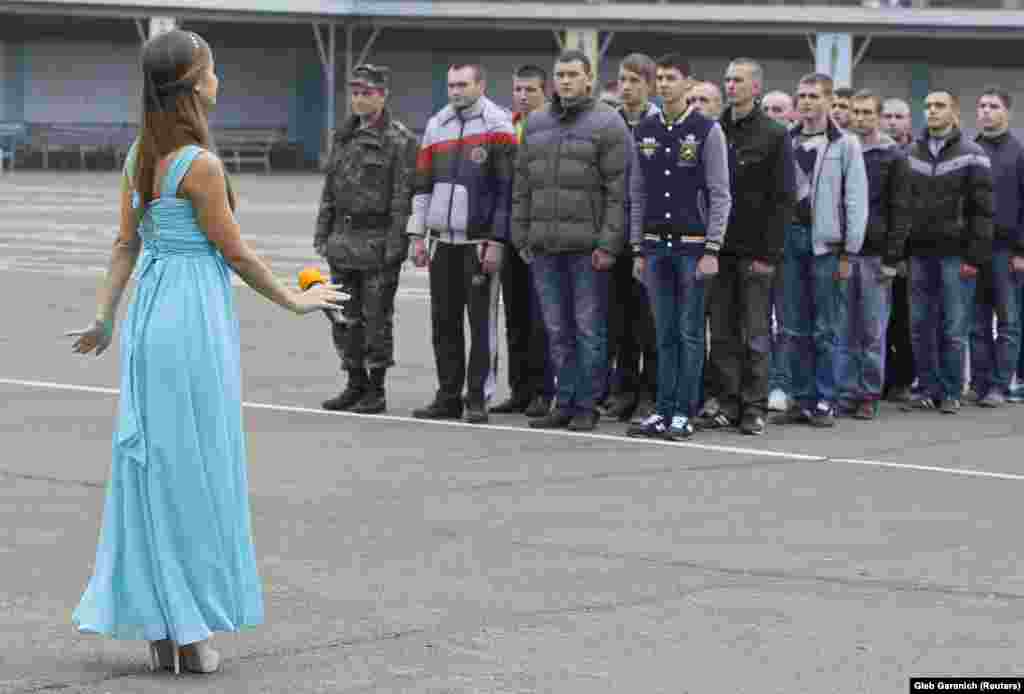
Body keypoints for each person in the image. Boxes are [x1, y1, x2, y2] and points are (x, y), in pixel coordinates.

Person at [66, 29, 345, 675]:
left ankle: (167, 634)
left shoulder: (142, 154)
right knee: (193, 469)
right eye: (213, 70)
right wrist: (295, 301)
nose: (219, 80)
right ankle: (188, 633)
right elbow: (236, 252)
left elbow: (123, 247)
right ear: (194, 83)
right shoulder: (201, 164)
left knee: (157, 471)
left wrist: (107, 319)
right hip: (190, 318)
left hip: (149, 317)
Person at [512, 49, 630, 432]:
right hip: (544, 246)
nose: (565, 81)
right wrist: (522, 234)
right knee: (557, 329)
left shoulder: (609, 123)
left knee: (588, 329)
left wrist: (608, 244)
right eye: (560, 74)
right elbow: (522, 186)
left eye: (572, 74)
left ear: (589, 78)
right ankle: (564, 401)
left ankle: (587, 404)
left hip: (588, 250)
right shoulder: (536, 122)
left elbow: (619, 192)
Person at [626, 52, 731, 440]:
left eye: (672, 78)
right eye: (661, 78)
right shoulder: (645, 128)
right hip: (655, 247)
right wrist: (637, 247)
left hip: (692, 247)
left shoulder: (706, 130)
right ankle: (663, 409)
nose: (665, 84)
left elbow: (720, 194)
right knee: (662, 333)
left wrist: (712, 248)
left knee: (689, 333)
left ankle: (685, 412)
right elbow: (636, 192)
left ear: (688, 84)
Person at [407, 63, 516, 424]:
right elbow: (421, 185)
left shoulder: (498, 125)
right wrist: (417, 236)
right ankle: (448, 395)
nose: (455, 91)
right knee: (443, 322)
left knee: (481, 325)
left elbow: (506, 191)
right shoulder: (436, 124)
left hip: (479, 243)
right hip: (442, 244)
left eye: (463, 85)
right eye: (451, 85)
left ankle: (477, 398)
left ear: (480, 85)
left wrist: (498, 240)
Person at [315, 64, 417, 414]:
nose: (359, 99)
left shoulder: (399, 139)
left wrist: (396, 243)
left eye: (367, 93)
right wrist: (322, 234)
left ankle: (376, 389)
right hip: (342, 239)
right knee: (344, 318)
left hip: (377, 241)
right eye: (355, 93)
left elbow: (404, 196)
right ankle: (353, 381)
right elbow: (330, 189)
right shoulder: (342, 135)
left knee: (376, 319)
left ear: (383, 95)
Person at [700, 58, 792, 436]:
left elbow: (783, 198)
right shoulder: (713, 129)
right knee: (721, 334)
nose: (730, 86)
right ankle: (728, 401)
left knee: (754, 333)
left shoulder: (774, 134)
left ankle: (754, 406)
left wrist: (768, 255)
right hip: (718, 250)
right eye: (727, 80)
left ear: (756, 88)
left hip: (754, 252)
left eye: (738, 80)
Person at [775, 72, 868, 428]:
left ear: (829, 101)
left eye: (814, 96)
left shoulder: (845, 144)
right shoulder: (785, 140)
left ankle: (826, 399)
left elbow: (856, 200)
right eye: (802, 96)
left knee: (826, 329)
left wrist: (850, 250)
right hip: (789, 241)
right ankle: (801, 398)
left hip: (826, 245)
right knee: (794, 327)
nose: (807, 102)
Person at [903, 89, 993, 413]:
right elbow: (902, 207)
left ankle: (952, 390)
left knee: (954, 327)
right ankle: (927, 388)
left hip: (956, 255)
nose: (932, 111)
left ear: (954, 112)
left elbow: (982, 212)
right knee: (919, 325)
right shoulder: (910, 152)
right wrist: (901, 252)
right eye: (927, 106)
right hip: (919, 255)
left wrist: (974, 257)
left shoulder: (973, 153)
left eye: (939, 106)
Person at [836, 89, 911, 419]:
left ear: (878, 116)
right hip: (844, 253)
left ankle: (867, 392)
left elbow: (901, 209)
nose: (861, 117)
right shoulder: (841, 148)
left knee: (872, 329)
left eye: (868, 112)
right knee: (843, 327)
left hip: (876, 255)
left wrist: (892, 258)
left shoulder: (893, 155)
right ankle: (845, 390)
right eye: (857, 111)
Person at [491, 64, 555, 417]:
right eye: (518, 89)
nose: (523, 96)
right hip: (512, 234)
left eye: (530, 89)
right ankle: (520, 389)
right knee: (514, 316)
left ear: (544, 91)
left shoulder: (552, 126)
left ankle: (545, 390)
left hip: (542, 236)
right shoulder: (508, 128)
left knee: (541, 320)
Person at [603, 53, 660, 424]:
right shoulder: (609, 122)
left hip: (651, 237)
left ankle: (649, 394)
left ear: (650, 85)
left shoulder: (661, 123)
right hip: (615, 234)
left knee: (650, 323)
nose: (626, 87)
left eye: (635, 81)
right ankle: (622, 391)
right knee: (619, 321)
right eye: (622, 80)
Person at [972, 86, 1024, 407]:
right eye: (982, 105)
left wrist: (1021, 250)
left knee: (1008, 321)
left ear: (1007, 112)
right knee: (975, 323)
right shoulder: (969, 150)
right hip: (973, 250)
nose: (986, 111)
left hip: (1006, 250)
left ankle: (999, 385)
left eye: (993, 106)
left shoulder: (1019, 152)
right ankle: (979, 383)